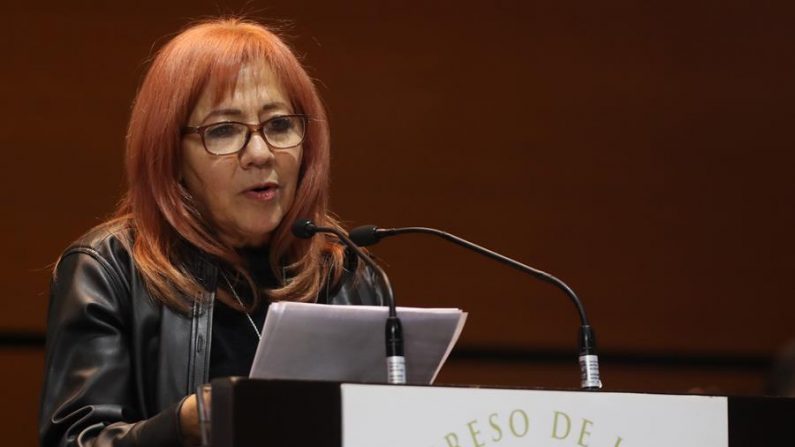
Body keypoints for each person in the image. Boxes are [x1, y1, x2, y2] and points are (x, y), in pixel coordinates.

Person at [39, 18, 384, 446]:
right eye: (223, 130)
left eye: (279, 126)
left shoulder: (349, 276)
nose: (260, 154)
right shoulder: (108, 270)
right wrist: (183, 423)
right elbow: (77, 440)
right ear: (171, 155)